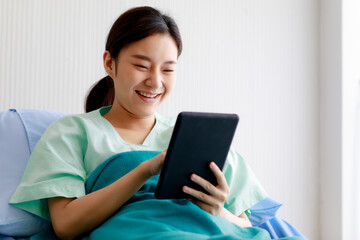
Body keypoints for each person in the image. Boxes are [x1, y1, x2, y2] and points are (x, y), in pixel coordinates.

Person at [10, 6, 270, 240]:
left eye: (168, 70)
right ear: (110, 63)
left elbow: (246, 229)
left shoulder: (200, 141)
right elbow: (66, 225)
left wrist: (217, 210)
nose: (155, 82)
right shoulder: (72, 133)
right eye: (142, 66)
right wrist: (146, 170)